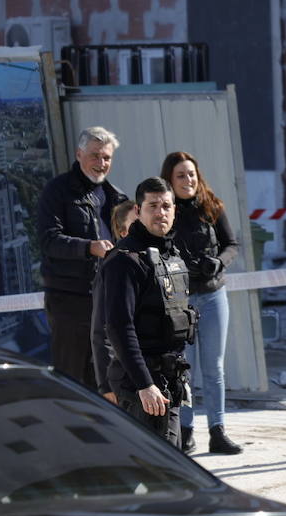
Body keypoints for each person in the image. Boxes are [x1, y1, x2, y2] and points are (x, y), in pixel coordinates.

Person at [100, 177, 196, 447]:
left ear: (175, 210)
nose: (160, 212)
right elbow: (119, 328)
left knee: (170, 469)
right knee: (156, 474)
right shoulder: (125, 260)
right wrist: (144, 385)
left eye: (166, 205)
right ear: (139, 211)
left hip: (169, 381)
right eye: (152, 205)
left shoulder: (171, 254)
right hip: (142, 386)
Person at [162, 151, 243, 456]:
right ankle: (185, 431)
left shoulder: (212, 205)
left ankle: (217, 430)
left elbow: (232, 244)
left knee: (214, 367)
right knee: (184, 369)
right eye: (181, 175)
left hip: (213, 295)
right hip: (180, 301)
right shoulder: (165, 210)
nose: (188, 180)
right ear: (170, 179)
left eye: (192, 174)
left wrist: (218, 263)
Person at [36, 126, 126, 389]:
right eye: (95, 155)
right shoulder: (57, 191)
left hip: (109, 298)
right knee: (71, 381)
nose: (101, 163)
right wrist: (90, 248)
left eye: (107, 157)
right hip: (70, 300)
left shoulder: (116, 196)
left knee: (107, 380)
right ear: (79, 154)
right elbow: (48, 240)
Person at [90, 200, 138, 407]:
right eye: (136, 224)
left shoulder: (162, 261)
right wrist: (106, 386)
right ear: (122, 231)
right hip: (127, 379)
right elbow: (101, 330)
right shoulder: (114, 266)